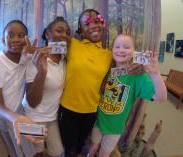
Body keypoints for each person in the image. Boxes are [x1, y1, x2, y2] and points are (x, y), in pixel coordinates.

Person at [58, 9, 144, 157]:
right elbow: (51, 50)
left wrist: (136, 67)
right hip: (67, 109)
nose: (92, 25)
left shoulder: (109, 55)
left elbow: (116, 73)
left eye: (96, 21)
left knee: (80, 146)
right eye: (87, 23)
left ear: (102, 24)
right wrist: (35, 51)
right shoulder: (72, 44)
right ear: (81, 30)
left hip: (91, 112)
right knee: (68, 147)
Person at [88, 34, 167, 157]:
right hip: (98, 121)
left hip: (115, 128)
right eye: (117, 46)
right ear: (112, 50)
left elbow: (161, 97)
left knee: (104, 154)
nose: (121, 50)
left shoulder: (139, 77)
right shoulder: (105, 68)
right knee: (93, 147)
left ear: (135, 51)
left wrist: (154, 73)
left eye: (126, 47)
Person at [0, 19, 45, 157]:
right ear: (3, 40)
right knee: (4, 151)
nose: (16, 39)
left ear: (26, 39)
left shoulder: (26, 58)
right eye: (10, 35)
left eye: (21, 35)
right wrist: (15, 118)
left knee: (30, 144)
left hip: (16, 111)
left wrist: (38, 57)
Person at [21, 16, 71, 157]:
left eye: (68, 33)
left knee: (58, 152)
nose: (64, 35)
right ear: (48, 34)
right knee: (36, 153)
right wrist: (41, 71)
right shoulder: (34, 58)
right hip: (33, 118)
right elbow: (32, 101)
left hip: (52, 118)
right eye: (59, 31)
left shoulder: (64, 60)